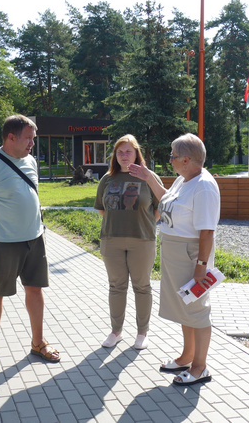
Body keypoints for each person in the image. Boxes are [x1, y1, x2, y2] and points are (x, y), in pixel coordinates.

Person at [0, 114, 61, 376]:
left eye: (33, 138)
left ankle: (38, 342)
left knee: (35, 290)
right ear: (11, 137)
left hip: (35, 239)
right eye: (28, 138)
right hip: (4, 243)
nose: (33, 143)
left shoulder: (30, 161)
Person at [128, 133, 220, 385]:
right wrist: (149, 177)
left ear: (187, 160)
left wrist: (201, 267)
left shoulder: (203, 186)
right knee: (183, 307)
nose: (170, 160)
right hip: (175, 253)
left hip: (191, 255)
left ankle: (200, 367)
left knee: (197, 309)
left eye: (173, 156)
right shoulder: (184, 179)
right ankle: (187, 356)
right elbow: (167, 199)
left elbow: (207, 231)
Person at [94, 134, 163, 350]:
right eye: (120, 152)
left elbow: (163, 204)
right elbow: (102, 208)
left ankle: (142, 333)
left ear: (136, 154)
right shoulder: (107, 179)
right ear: (115, 155)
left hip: (142, 240)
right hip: (111, 240)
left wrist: (147, 223)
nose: (124, 155)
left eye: (128, 151)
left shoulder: (148, 177)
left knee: (142, 286)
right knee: (116, 287)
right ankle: (116, 332)